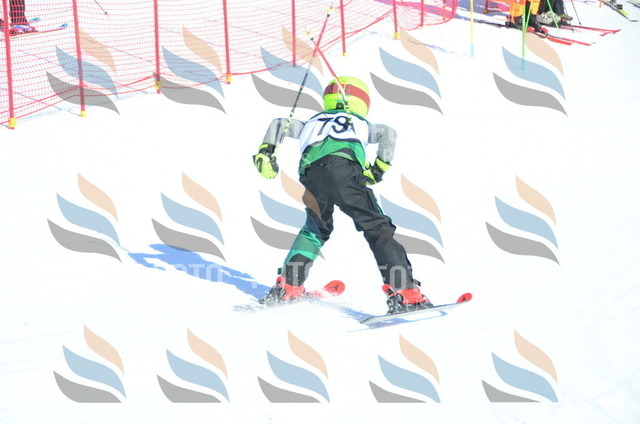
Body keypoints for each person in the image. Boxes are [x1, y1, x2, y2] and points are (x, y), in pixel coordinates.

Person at [252, 76, 434, 314]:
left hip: (311, 175)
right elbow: (388, 133)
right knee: (377, 227)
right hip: (344, 171)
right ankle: (405, 292)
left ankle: (288, 286)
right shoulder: (358, 121)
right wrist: (377, 169)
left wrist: (266, 152)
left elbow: (279, 123)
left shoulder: (312, 121)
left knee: (315, 229)